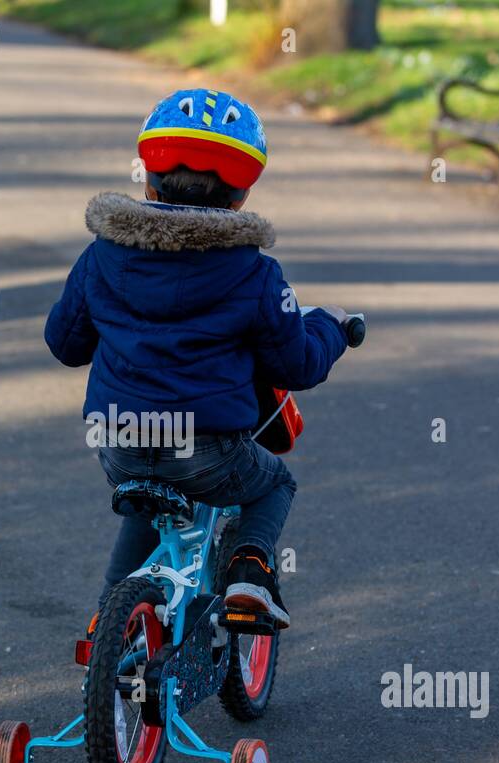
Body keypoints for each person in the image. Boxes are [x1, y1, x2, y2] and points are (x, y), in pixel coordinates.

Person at [44, 88, 348, 635]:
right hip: (206, 452)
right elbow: (297, 366)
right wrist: (330, 326)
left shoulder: (102, 256)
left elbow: (65, 346)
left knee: (147, 502)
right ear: (241, 195)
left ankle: (108, 624)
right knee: (274, 483)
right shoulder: (254, 274)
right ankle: (250, 572)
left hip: (119, 444)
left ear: (148, 178)